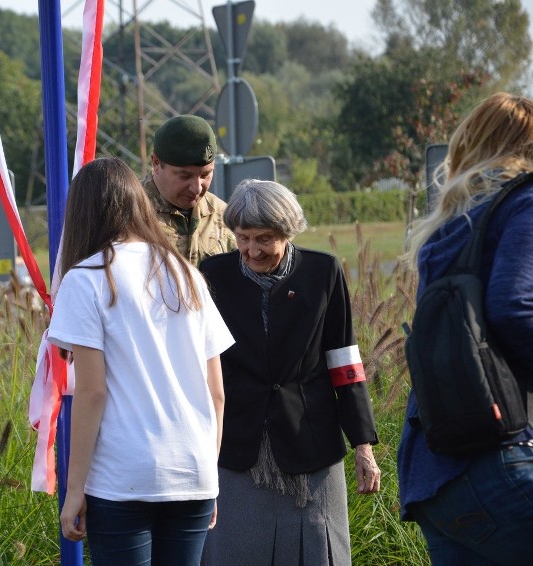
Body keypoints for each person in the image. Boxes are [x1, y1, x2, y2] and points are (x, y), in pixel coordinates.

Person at [48, 157, 234, 565]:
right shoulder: (187, 273)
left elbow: (92, 393)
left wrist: (74, 488)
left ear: (81, 214)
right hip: (193, 470)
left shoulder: (87, 278)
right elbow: (217, 392)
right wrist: (210, 476)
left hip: (123, 477)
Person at [199, 179, 381, 565]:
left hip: (311, 445)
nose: (251, 250)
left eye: (264, 238)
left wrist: (363, 445)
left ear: (288, 231)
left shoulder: (323, 272)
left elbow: (344, 360)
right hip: (236, 445)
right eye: (243, 237)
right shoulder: (213, 275)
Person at [397, 92, 533, 565]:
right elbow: (513, 307)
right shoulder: (525, 204)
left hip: (433, 472)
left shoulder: (450, 226)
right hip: (499, 457)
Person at [143, 114, 236, 265]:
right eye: (185, 176)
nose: (197, 188)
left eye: (205, 175)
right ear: (156, 163)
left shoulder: (225, 217)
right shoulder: (127, 214)